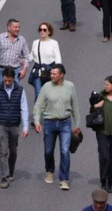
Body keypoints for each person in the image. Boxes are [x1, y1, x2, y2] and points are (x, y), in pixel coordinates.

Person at [33, 63, 80, 191]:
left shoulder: (70, 87)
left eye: (54, 74)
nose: (51, 75)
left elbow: (75, 106)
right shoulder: (46, 87)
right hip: (49, 123)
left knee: (65, 151)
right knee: (48, 150)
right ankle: (49, 170)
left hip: (65, 123)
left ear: (62, 75)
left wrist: (77, 124)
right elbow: (38, 106)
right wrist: (37, 121)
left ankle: (64, 179)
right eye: (51, 73)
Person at [0, 66, 30, 189]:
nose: (7, 83)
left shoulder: (20, 91)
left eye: (9, 81)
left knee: (13, 150)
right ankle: (4, 177)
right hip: (1, 124)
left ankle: (11, 170)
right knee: (3, 152)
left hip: (14, 125)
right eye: (5, 80)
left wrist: (25, 127)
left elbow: (24, 109)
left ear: (13, 79)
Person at [0, 19, 29, 87]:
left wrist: (24, 69)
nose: (18, 29)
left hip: (15, 71)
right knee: (1, 90)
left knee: (15, 91)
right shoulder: (0, 38)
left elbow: (26, 56)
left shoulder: (22, 40)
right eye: (15, 27)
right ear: (9, 28)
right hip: (2, 70)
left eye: (19, 27)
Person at [28, 22, 62, 99]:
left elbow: (58, 58)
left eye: (44, 30)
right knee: (38, 92)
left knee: (49, 94)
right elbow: (32, 56)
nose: (42, 31)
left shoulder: (54, 43)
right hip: (37, 71)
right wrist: (24, 60)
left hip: (50, 71)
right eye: (40, 30)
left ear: (49, 32)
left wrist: (58, 72)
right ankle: (37, 110)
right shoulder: (35, 42)